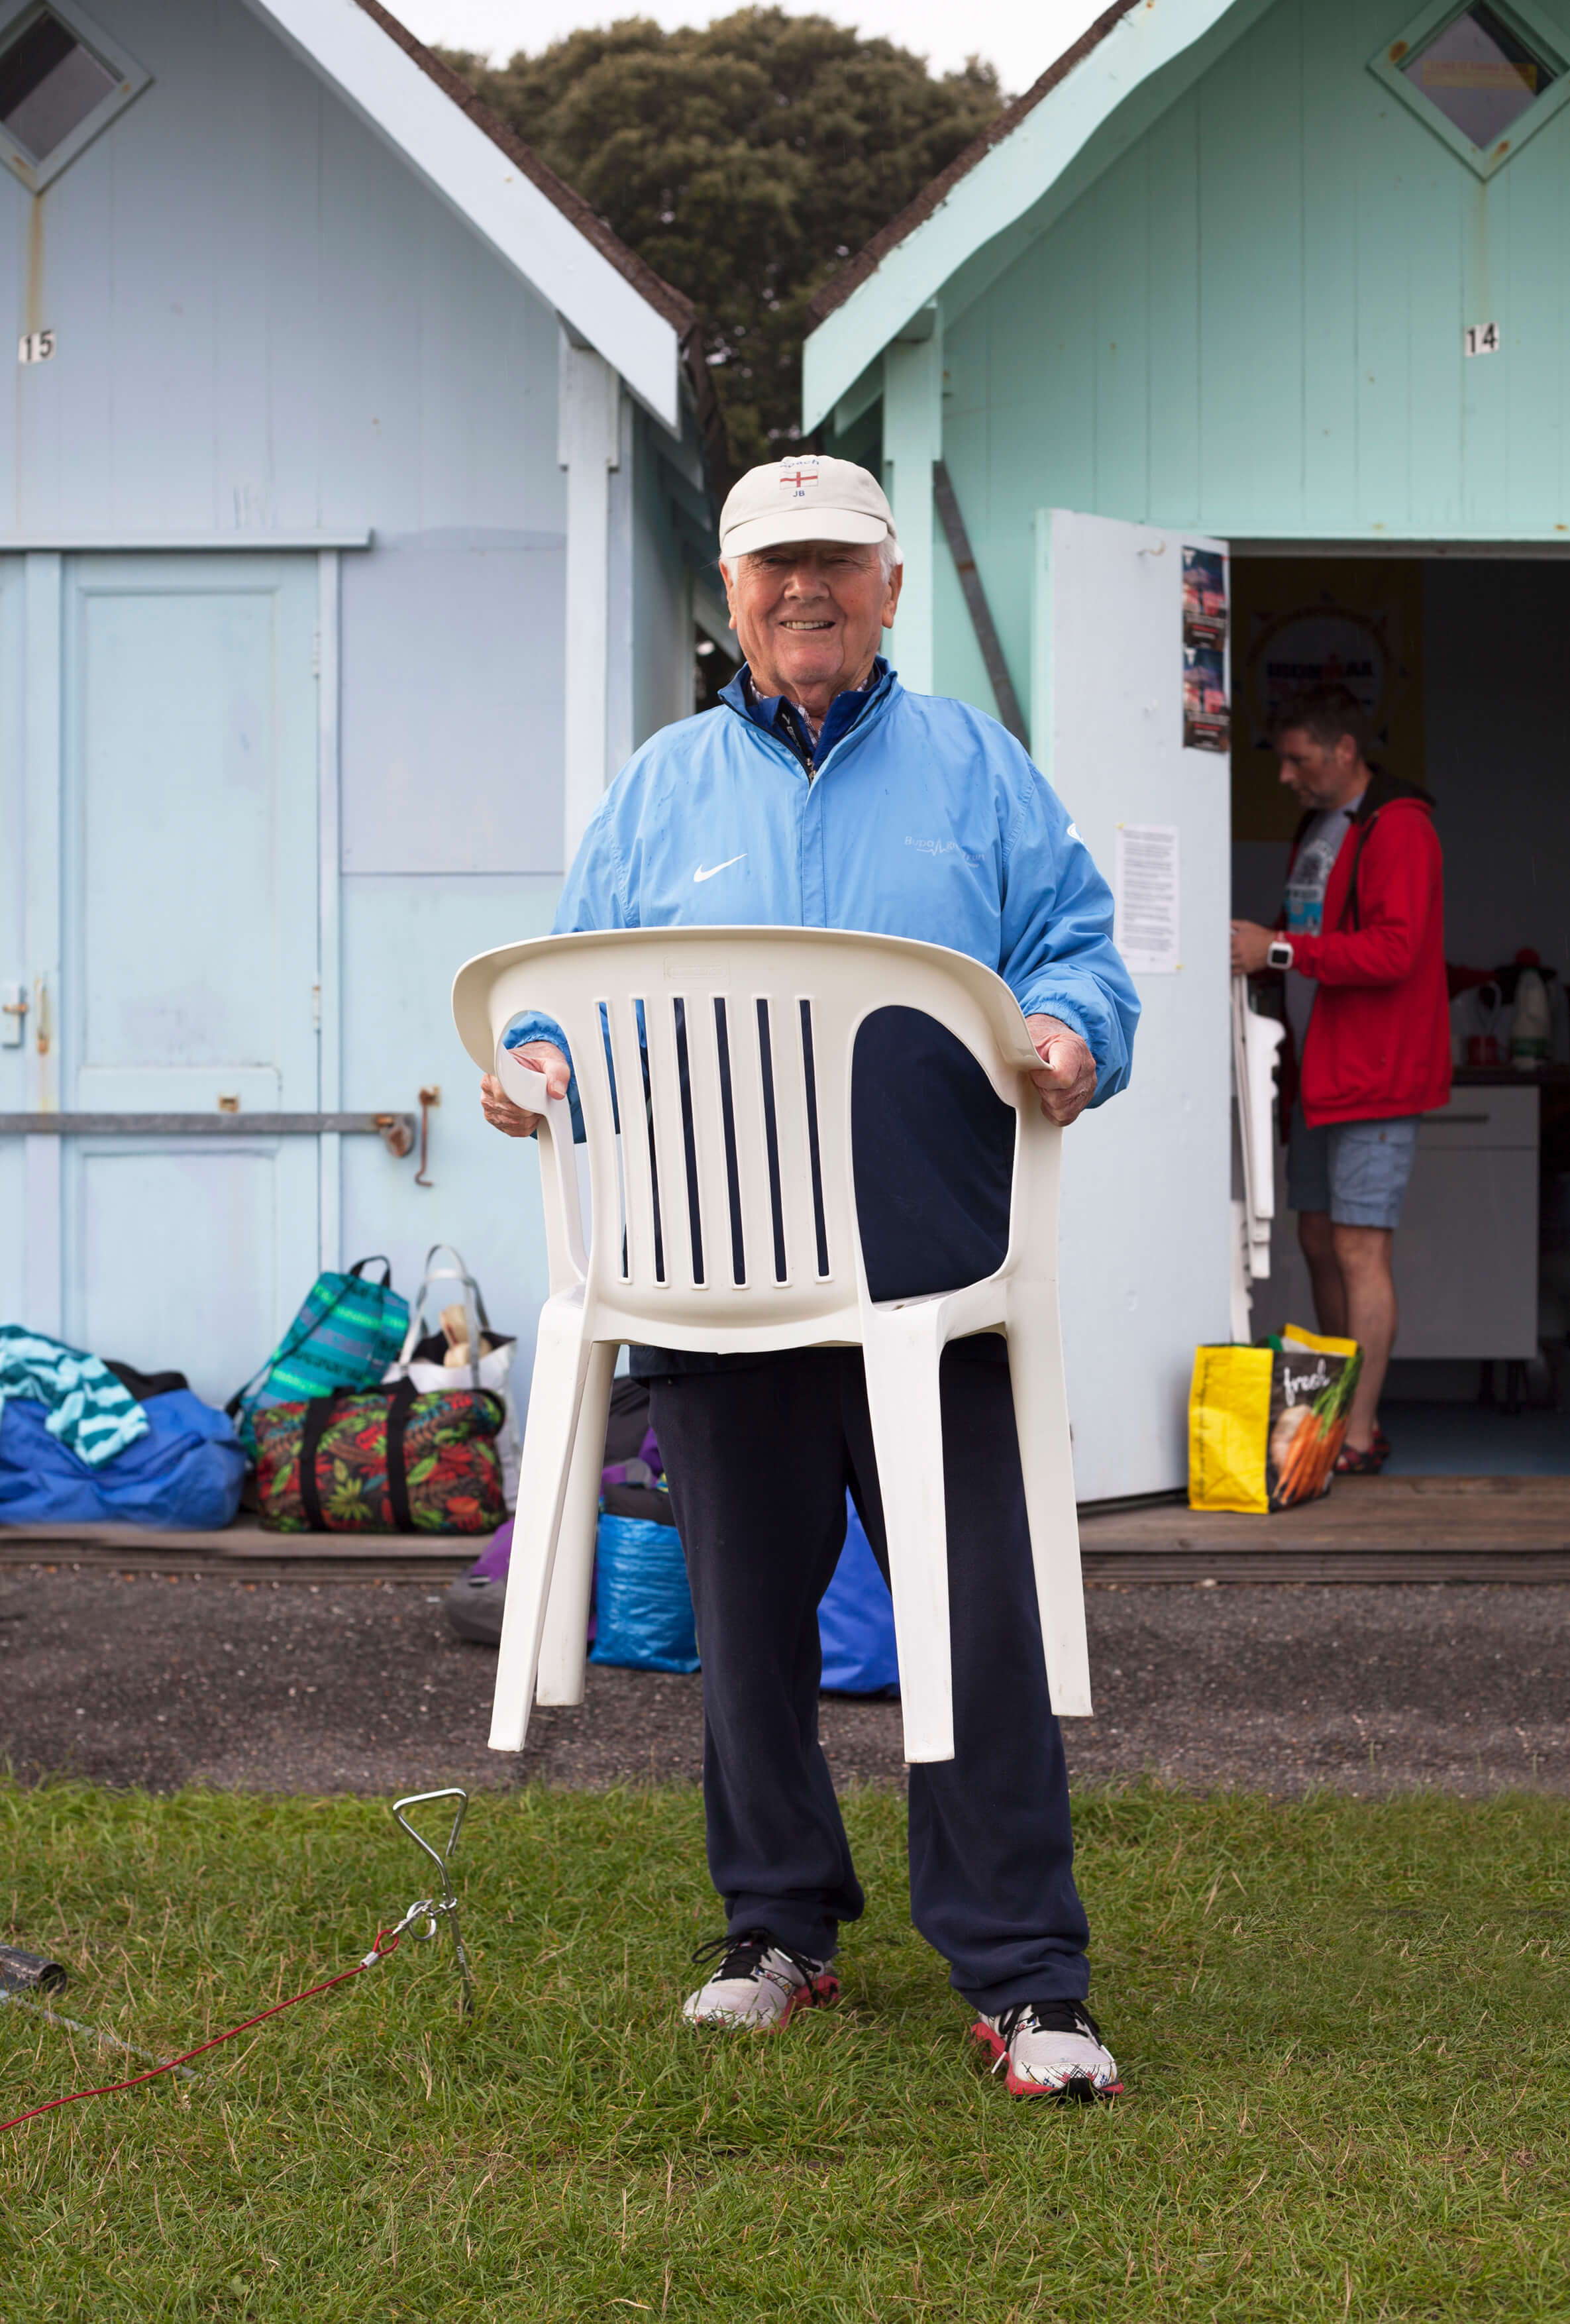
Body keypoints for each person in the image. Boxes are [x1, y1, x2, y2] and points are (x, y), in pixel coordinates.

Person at [480, 456, 1139, 2101]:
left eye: (834, 565)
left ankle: (1024, 1976)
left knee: (973, 1620)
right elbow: (558, 999)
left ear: (888, 587)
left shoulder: (977, 771)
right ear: (728, 594)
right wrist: (531, 1063)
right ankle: (775, 1926)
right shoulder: (656, 792)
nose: (802, 594)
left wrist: (1072, 1031)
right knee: (745, 1630)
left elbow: (1076, 948)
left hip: (931, 1288)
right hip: (716, 1289)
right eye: (773, 567)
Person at [1230, 686, 1449, 1471]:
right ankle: (1329, 1414)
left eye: (1299, 758)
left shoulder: (1402, 826)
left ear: (1346, 751)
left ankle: (1356, 1432)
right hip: (1320, 1072)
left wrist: (1277, 951)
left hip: (1377, 1074)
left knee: (1360, 1248)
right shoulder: (1322, 824)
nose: (1286, 774)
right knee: (1318, 1238)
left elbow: (1396, 950)